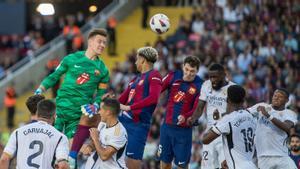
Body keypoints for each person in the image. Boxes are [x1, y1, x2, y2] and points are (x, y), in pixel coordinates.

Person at [35, 28, 110, 167]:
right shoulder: (71, 59)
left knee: (70, 155)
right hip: (59, 111)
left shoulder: (103, 70)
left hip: (78, 116)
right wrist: (41, 89)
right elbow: (54, 77)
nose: (102, 45)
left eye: (104, 43)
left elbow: (100, 94)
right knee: (49, 148)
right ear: (90, 42)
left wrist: (96, 104)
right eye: (100, 41)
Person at [118, 46, 162, 169]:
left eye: (137, 59)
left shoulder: (154, 75)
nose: (136, 62)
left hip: (137, 125)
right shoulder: (135, 79)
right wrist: (106, 101)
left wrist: (129, 108)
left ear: (143, 60)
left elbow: (154, 98)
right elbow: (121, 100)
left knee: (132, 162)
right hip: (123, 121)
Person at [186, 63, 235, 169]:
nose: (212, 80)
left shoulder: (232, 88)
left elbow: (234, 112)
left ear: (223, 75)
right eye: (210, 77)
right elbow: (200, 107)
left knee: (225, 166)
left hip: (225, 135)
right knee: (207, 166)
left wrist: (221, 116)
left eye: (215, 77)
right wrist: (193, 118)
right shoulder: (206, 85)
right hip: (209, 133)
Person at [158, 55, 203, 169]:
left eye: (192, 71)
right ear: (183, 67)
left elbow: (197, 108)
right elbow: (158, 88)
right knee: (164, 163)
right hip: (167, 127)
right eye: (187, 69)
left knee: (182, 165)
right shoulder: (173, 75)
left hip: (184, 131)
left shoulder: (200, 85)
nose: (188, 73)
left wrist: (186, 116)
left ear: (197, 71)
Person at [0, 100, 69, 169]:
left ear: (37, 114)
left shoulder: (18, 132)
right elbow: (63, 165)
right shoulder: (60, 137)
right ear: (54, 115)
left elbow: (4, 159)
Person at [202, 85, 257, 169]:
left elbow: (205, 140)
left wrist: (216, 122)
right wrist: (228, 159)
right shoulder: (250, 116)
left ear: (227, 100)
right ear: (243, 100)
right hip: (252, 165)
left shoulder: (227, 120)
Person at [248, 88, 297, 169]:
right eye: (275, 95)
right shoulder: (262, 106)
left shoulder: (289, 113)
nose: (276, 98)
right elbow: (243, 114)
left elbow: (287, 127)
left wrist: (268, 116)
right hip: (263, 157)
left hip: (282, 156)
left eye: (280, 96)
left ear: (287, 100)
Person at [81, 98, 127, 169]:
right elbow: (96, 143)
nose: (99, 112)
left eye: (101, 110)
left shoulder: (118, 132)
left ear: (108, 112)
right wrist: (90, 147)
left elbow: (104, 156)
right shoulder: (102, 124)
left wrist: (95, 138)